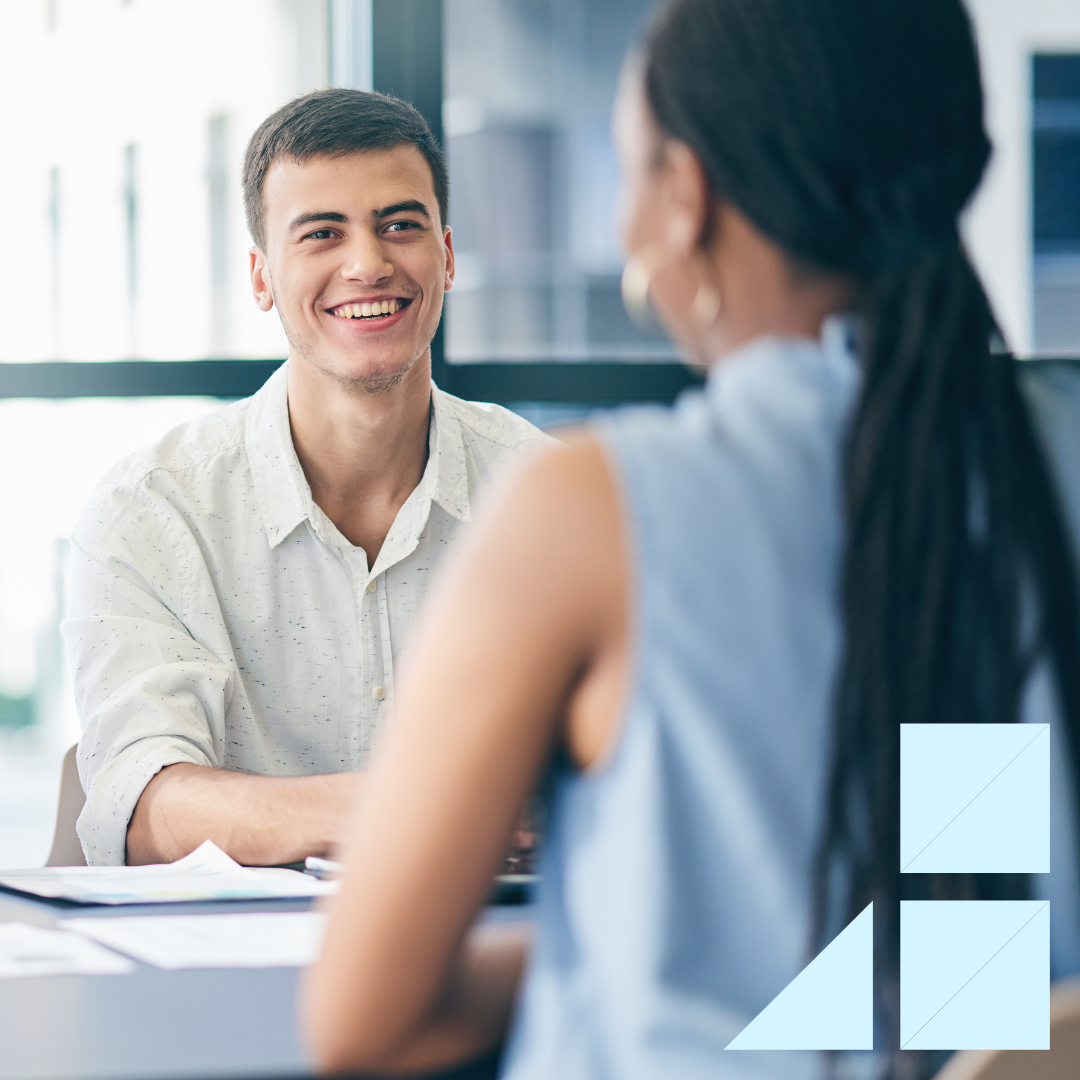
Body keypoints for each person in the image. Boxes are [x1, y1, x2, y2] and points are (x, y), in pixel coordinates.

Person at [302, 0, 1080, 1077]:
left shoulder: (589, 510)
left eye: (624, 175)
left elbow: (365, 1019)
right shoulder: (1041, 465)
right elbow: (965, 959)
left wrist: (624, 940)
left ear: (684, 199)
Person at [63, 89, 551, 867]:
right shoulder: (151, 511)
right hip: (225, 970)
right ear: (261, 278)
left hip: (500, 959)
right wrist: (411, 808)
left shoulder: (549, 497)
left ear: (448, 258)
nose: (368, 263)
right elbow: (142, 806)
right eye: (323, 234)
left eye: (400, 225)